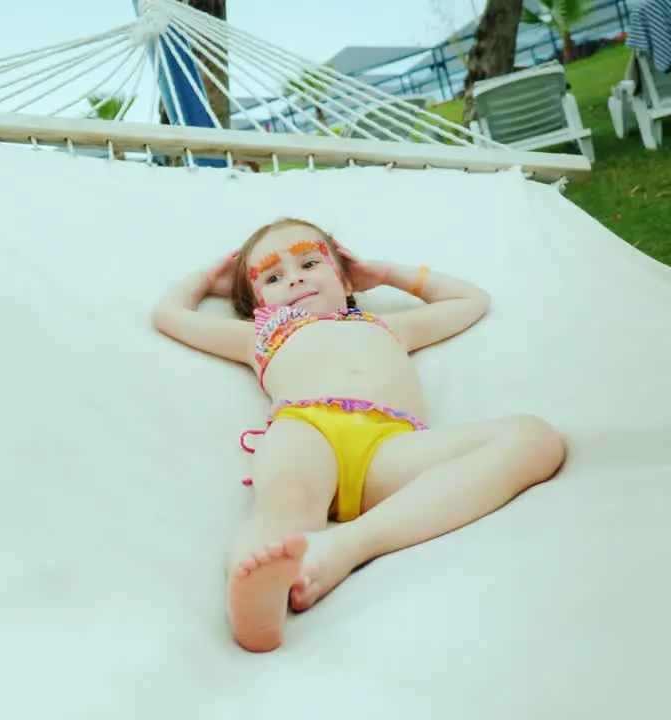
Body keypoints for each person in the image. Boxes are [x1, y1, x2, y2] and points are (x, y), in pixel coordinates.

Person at [150, 217, 566, 653]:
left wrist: (384, 273)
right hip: (306, 430)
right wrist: (206, 279)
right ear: (257, 303)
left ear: (345, 276)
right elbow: (168, 315)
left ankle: (346, 546)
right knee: (286, 501)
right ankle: (255, 599)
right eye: (273, 277)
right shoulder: (259, 336)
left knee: (533, 437)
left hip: (390, 449)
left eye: (310, 263)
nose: (295, 278)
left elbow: (472, 300)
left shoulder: (390, 326)